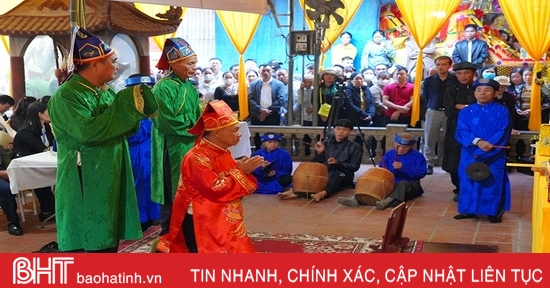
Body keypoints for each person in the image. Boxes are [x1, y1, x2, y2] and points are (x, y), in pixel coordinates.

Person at [48, 27, 158, 252]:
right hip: (86, 174)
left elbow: (124, 128)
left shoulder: (105, 91)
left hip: (111, 170)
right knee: (90, 240)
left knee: (110, 234)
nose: (117, 66)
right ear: (94, 64)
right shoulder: (68, 95)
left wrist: (131, 111)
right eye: (113, 61)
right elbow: (89, 132)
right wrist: (127, 104)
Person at [155, 100, 264, 253]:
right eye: (234, 130)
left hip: (219, 215)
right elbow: (213, 188)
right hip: (203, 219)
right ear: (217, 132)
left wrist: (242, 169)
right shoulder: (196, 157)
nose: (239, 134)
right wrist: (241, 171)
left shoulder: (223, 152)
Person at [151, 37, 202, 237]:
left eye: (195, 63)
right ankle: (169, 235)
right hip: (170, 147)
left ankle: (189, 234)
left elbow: (197, 115)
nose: (194, 67)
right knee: (172, 190)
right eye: (190, 63)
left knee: (190, 189)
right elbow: (165, 121)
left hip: (190, 145)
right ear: (174, 63)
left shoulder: (189, 87)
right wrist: (195, 125)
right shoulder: (162, 88)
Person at [454, 79, 511, 223]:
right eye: (478, 90)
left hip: (494, 154)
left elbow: (503, 131)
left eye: (487, 90)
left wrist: (488, 145)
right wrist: (478, 142)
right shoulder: (466, 111)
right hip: (470, 152)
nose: (482, 93)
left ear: (495, 92)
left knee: (492, 181)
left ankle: (492, 212)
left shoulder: (502, 111)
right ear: (474, 92)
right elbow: (461, 131)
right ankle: (468, 210)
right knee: (468, 180)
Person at [277, 119, 363, 202]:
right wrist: (319, 153)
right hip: (325, 172)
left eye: (345, 130)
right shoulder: (326, 143)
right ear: (334, 130)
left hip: (344, 174)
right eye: (338, 129)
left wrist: (337, 162)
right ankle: (295, 191)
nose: (341, 132)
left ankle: (322, 194)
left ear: (350, 131)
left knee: (338, 175)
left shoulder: (355, 147)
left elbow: (354, 167)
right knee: (305, 172)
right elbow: (316, 162)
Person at [338, 133, 427, 209]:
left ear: (411, 146)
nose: (400, 149)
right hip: (390, 182)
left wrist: (403, 167)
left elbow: (421, 173)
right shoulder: (389, 154)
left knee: (402, 184)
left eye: (404, 147)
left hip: (410, 184)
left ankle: (387, 201)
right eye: (397, 146)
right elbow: (382, 170)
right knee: (370, 179)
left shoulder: (417, 156)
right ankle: (356, 199)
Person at [125, 74, 160, 232]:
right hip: (137, 151)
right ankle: (141, 218)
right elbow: (132, 134)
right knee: (139, 183)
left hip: (154, 149)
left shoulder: (156, 105)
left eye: (150, 88)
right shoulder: (127, 107)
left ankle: (156, 214)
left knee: (154, 181)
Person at [11, 101, 56, 222]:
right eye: (48, 112)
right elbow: (40, 148)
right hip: (24, 163)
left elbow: (51, 144)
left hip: (41, 159)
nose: (51, 114)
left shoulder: (45, 126)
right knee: (41, 178)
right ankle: (47, 211)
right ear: (40, 114)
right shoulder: (26, 130)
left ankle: (54, 207)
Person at [443, 61, 478, 202]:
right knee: (454, 159)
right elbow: (449, 111)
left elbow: (483, 110)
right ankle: (458, 188)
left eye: (466, 73)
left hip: (477, 129)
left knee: (475, 157)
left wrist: (461, 106)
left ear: (474, 74)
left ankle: (474, 187)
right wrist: (471, 108)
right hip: (455, 129)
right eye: (459, 73)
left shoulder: (480, 89)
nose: (463, 76)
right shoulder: (451, 90)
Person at [421, 56, 459, 175]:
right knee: (429, 139)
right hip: (433, 110)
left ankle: (450, 163)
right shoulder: (429, 80)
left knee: (451, 139)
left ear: (449, 66)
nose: (440, 67)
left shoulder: (455, 80)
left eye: (443, 64)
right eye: (438, 64)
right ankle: (429, 163)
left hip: (450, 112)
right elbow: (426, 96)